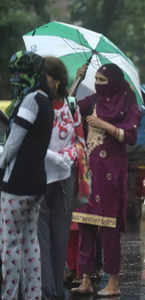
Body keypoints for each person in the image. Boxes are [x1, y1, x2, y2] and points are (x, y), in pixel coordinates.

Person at [70, 63, 141, 297]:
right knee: (85, 224)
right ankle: (86, 279)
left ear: (114, 81)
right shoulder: (91, 101)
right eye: (96, 80)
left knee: (109, 229)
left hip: (111, 174)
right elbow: (67, 110)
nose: (99, 85)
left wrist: (103, 125)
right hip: (89, 173)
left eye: (103, 80)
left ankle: (113, 282)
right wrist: (76, 81)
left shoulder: (128, 103)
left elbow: (130, 135)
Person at [0, 51, 54, 299]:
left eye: (19, 73)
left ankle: (10, 295)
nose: (16, 78)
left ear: (30, 73)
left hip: (17, 184)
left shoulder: (30, 100)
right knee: (30, 242)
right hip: (36, 183)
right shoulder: (46, 100)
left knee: (10, 245)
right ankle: (33, 295)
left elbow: (13, 144)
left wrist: (1, 166)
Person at [38, 56, 88, 300]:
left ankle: (56, 290)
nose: (42, 80)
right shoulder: (36, 103)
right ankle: (47, 291)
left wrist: (67, 156)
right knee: (41, 238)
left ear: (57, 81)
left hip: (65, 178)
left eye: (46, 76)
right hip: (39, 177)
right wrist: (50, 156)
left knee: (60, 236)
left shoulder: (71, 105)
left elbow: (80, 141)